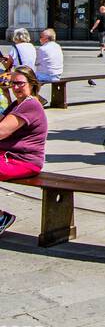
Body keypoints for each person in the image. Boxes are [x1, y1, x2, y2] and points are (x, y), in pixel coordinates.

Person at [0, 65, 48, 237]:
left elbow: (1, 131)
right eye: (12, 83)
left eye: (20, 83)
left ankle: (1, 218)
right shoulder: (18, 104)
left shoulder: (30, 105)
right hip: (9, 157)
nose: (15, 87)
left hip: (23, 161)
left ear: (32, 83)